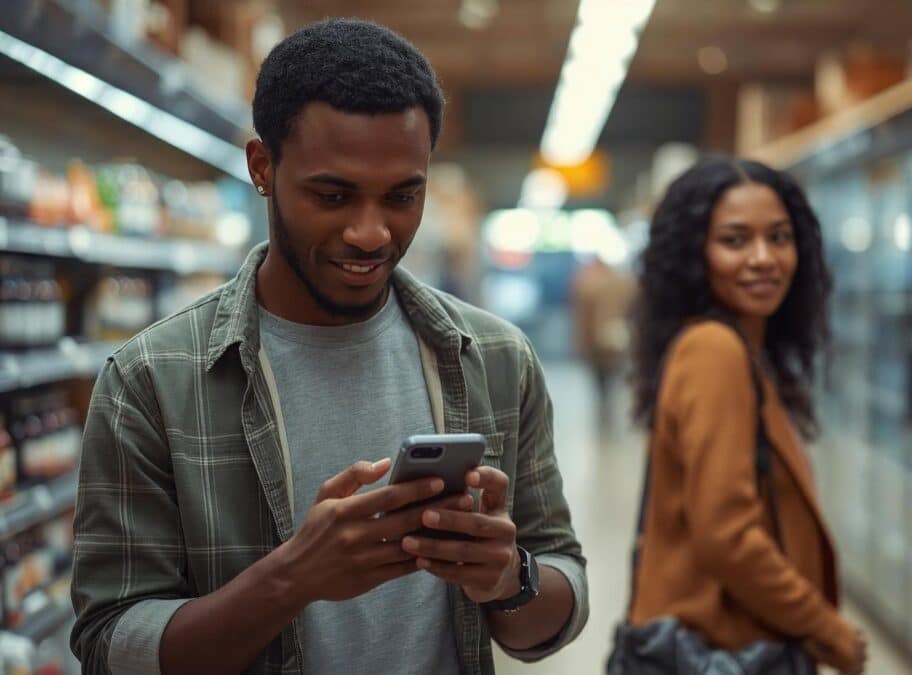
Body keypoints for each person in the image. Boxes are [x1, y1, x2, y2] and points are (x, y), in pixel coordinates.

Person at [69, 19, 587, 675]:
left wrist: (508, 577)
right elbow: (109, 646)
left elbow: (562, 587)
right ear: (262, 167)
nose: (371, 233)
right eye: (332, 194)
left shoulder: (494, 357)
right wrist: (294, 575)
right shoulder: (150, 381)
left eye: (403, 195)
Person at [626, 157, 868, 674]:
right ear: (695, 256)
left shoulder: (741, 348)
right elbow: (727, 537)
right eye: (735, 241)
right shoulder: (715, 351)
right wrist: (829, 629)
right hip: (724, 649)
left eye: (779, 238)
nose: (764, 258)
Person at [570, 255, 636, 439]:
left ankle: (605, 413)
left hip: (597, 340)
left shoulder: (586, 284)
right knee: (610, 377)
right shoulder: (622, 284)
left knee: (602, 380)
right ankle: (608, 413)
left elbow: (582, 318)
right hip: (614, 337)